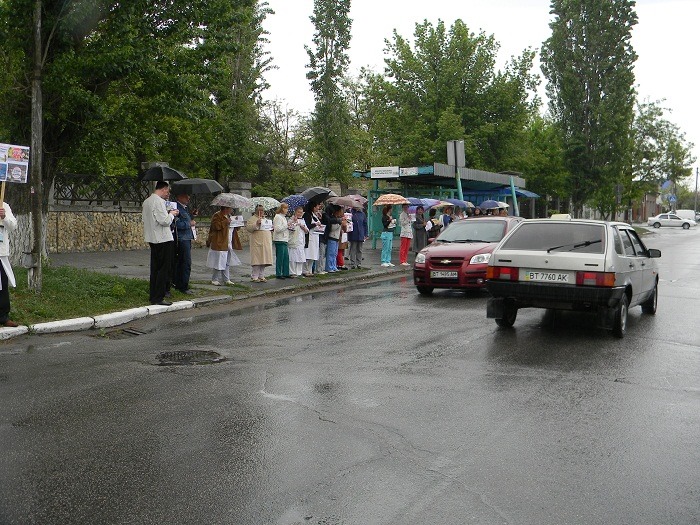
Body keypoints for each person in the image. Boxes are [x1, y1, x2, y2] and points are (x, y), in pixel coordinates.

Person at [142, 181, 179, 306]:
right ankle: (158, 296)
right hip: (163, 238)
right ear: (163, 189)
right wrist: (172, 214)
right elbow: (164, 221)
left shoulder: (147, 201)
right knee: (164, 268)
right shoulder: (158, 201)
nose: (167, 194)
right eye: (167, 191)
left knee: (155, 268)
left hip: (152, 237)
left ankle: (153, 295)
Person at [206, 206, 240, 285]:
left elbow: (234, 228)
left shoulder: (229, 216)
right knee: (219, 261)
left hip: (228, 241)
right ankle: (214, 279)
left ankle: (226, 279)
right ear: (225, 209)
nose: (231, 210)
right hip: (220, 242)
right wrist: (226, 222)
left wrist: (237, 223)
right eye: (230, 209)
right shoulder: (217, 215)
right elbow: (215, 226)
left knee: (227, 261)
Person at [172, 191, 197, 294]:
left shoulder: (185, 208)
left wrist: (192, 215)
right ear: (179, 196)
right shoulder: (176, 208)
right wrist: (189, 223)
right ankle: (183, 286)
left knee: (182, 262)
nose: (188, 198)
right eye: (186, 196)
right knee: (185, 263)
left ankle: (179, 283)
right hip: (182, 239)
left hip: (187, 238)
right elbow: (176, 224)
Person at [0, 200, 19, 327]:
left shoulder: (4, 206)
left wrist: (4, 216)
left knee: (2, 284)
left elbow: (13, 226)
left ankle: (3, 317)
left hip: (1, 253)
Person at [246, 204, 273, 282]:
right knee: (257, 260)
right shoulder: (252, 219)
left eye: (262, 210)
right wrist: (256, 223)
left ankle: (261, 275)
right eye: (259, 210)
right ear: (256, 211)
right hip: (257, 242)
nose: (261, 212)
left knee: (264, 260)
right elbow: (249, 228)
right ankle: (254, 276)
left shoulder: (266, 219)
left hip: (266, 242)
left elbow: (268, 228)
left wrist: (271, 227)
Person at [287, 206, 309, 277]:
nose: (300, 214)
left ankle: (298, 272)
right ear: (295, 212)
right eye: (298, 212)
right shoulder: (291, 219)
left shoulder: (303, 220)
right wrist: (294, 222)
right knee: (292, 257)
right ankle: (292, 272)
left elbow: (307, 231)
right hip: (293, 240)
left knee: (300, 257)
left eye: (301, 212)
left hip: (301, 241)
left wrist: (303, 227)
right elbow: (289, 229)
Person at [324, 205, 346, 273]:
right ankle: (329, 267)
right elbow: (332, 229)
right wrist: (340, 223)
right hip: (332, 237)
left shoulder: (338, 218)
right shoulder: (332, 218)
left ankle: (334, 266)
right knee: (330, 253)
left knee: (334, 253)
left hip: (336, 238)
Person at [303, 202, 323, 275]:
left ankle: (310, 270)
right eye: (317, 206)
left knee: (313, 254)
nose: (318, 208)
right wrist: (315, 224)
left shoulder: (315, 215)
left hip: (315, 237)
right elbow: (307, 225)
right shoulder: (307, 215)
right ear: (313, 207)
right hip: (310, 237)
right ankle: (305, 270)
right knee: (308, 254)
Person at [272, 203, 291, 279]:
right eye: (286, 208)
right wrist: (287, 225)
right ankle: (279, 273)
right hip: (279, 239)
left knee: (286, 257)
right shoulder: (278, 217)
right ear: (282, 209)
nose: (287, 210)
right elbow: (278, 229)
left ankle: (286, 272)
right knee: (280, 257)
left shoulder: (283, 217)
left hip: (285, 239)